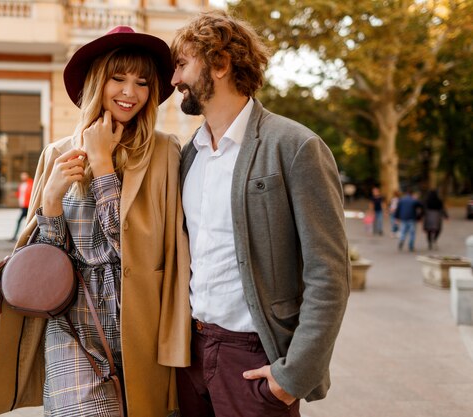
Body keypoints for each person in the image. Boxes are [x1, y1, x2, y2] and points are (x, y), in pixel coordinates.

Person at [0, 26, 191, 417]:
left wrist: (102, 165)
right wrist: (50, 201)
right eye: (119, 78)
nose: (130, 92)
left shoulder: (163, 152)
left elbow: (134, 247)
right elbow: (49, 259)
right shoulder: (57, 153)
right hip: (74, 322)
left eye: (142, 82)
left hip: (141, 320)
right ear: (99, 81)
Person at [170, 10, 350, 417]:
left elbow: (330, 272)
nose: (174, 80)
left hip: (253, 359)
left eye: (182, 64)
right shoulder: (188, 155)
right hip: (190, 356)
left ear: (219, 63)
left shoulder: (295, 146)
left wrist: (292, 377)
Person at [10, 171, 33, 241]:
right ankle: (28, 237)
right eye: (22, 176)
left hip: (28, 206)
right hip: (23, 206)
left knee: (21, 221)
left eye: (24, 175)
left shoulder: (31, 183)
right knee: (28, 223)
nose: (23, 177)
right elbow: (20, 194)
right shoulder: (22, 184)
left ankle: (16, 236)